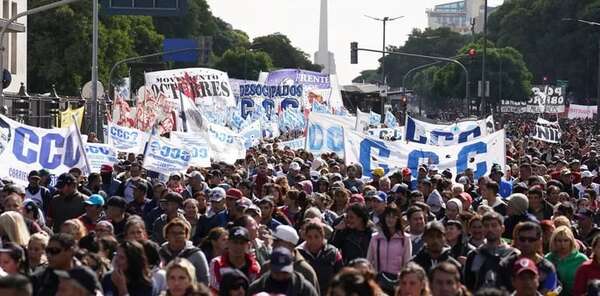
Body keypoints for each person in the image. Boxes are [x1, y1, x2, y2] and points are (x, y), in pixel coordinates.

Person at [499, 222, 559, 295]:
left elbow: (550, 292)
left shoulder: (548, 268)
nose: (526, 243)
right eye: (522, 239)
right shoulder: (506, 265)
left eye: (531, 240)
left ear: (540, 241)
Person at [464, 211, 517, 292]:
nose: (490, 229)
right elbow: (469, 286)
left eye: (494, 225)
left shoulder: (513, 255)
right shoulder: (473, 255)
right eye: (486, 226)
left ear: (502, 228)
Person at [366, 205, 411, 294]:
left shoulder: (405, 239)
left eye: (393, 216)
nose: (390, 219)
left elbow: (407, 263)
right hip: (378, 282)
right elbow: (369, 261)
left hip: (397, 283)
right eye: (388, 216)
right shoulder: (375, 238)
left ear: (398, 219)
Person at [263, 224, 320, 293]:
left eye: (277, 242)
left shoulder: (306, 271)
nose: (272, 245)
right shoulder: (266, 266)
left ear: (290, 245)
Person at [209, 226, 261, 293]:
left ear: (248, 245)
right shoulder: (216, 263)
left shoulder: (255, 266)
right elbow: (215, 288)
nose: (238, 246)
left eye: (242, 243)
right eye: (235, 242)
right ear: (228, 243)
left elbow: (256, 290)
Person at [159, 218, 210, 285]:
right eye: (173, 233)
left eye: (181, 233)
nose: (177, 236)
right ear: (167, 235)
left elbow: (205, 281)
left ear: (186, 236)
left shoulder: (197, 254)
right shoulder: (160, 253)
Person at [248, 247, 318, 296]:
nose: (280, 276)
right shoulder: (257, 288)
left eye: (285, 272)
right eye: (277, 272)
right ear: (270, 268)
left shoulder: (305, 289)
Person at [297, 220, 343, 292]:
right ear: (305, 237)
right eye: (309, 237)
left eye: (316, 237)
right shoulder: (298, 253)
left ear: (322, 236)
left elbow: (341, 277)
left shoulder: (334, 253)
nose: (313, 240)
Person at [545, 226, 588, 296]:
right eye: (559, 241)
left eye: (566, 240)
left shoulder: (581, 259)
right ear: (554, 241)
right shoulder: (548, 258)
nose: (562, 244)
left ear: (571, 241)